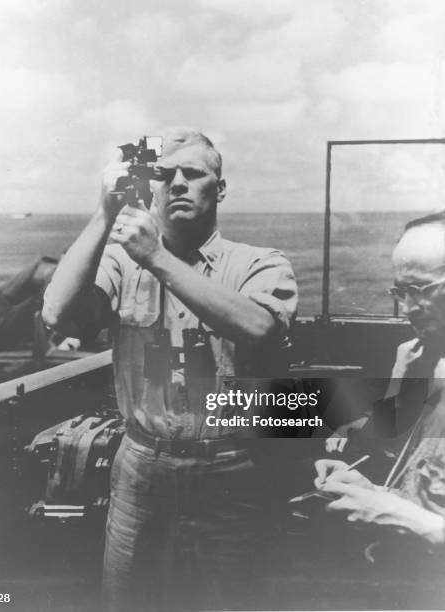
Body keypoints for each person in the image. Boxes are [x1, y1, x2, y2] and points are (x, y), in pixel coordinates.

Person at [42, 127, 298, 610]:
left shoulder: (259, 263)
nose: (178, 184)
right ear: (152, 189)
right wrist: (104, 214)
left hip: (229, 466)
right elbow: (57, 315)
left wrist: (156, 257)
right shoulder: (120, 263)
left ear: (219, 189)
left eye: (194, 174)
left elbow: (260, 328)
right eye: (166, 175)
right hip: (141, 466)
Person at [314, 212, 445, 552]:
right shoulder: (424, 361)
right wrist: (371, 492)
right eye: (401, 291)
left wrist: (396, 515)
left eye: (421, 290)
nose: (408, 308)